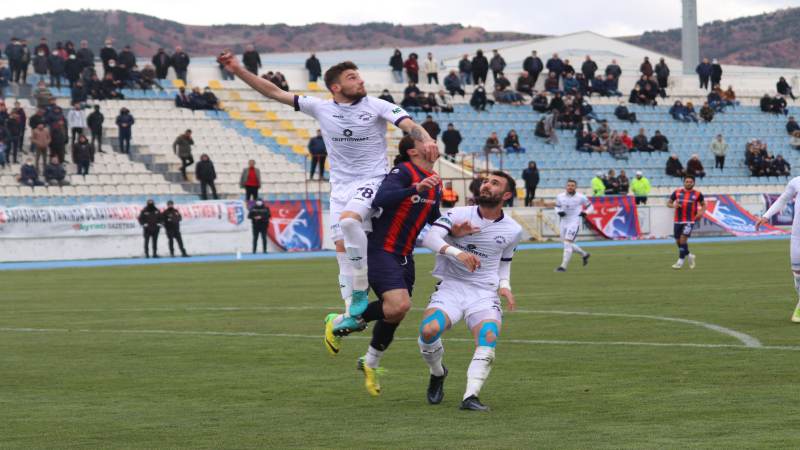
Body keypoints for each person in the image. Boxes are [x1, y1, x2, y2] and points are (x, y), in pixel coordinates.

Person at [218, 54, 438, 327]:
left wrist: (426, 138)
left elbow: (408, 125)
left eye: (359, 76)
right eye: (352, 78)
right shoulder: (320, 108)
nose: (360, 81)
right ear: (335, 87)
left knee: (349, 221)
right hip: (340, 187)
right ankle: (351, 313)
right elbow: (274, 92)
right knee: (341, 247)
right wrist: (237, 69)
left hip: (371, 180)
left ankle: (359, 289)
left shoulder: (378, 105)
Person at [324, 136, 447, 395]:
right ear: (413, 151)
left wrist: (458, 228)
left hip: (405, 255)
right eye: (427, 142)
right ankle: (339, 320)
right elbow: (382, 198)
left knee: (396, 312)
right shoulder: (403, 171)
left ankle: (370, 361)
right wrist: (416, 189)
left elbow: (434, 217)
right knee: (399, 304)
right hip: (381, 250)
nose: (433, 145)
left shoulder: (434, 182)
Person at [417, 171, 521, 410]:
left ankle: (470, 396)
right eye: (485, 181)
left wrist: (504, 287)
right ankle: (437, 372)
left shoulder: (513, 230)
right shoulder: (457, 213)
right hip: (451, 287)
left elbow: (504, 262)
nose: (486, 185)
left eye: (494, 183)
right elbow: (430, 238)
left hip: (484, 291)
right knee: (429, 330)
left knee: (488, 336)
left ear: (506, 195)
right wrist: (458, 253)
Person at [757, 176, 800, 322]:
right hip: (797, 237)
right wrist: (766, 216)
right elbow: (782, 200)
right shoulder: (796, 181)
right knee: (798, 275)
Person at [668, 176, 705, 270]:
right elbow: (668, 203)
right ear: (684, 182)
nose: (688, 183)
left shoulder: (698, 194)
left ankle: (680, 261)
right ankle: (689, 255)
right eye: (687, 181)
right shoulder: (676, 192)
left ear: (694, 183)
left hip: (689, 220)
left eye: (690, 182)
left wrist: (700, 212)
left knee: (683, 239)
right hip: (677, 220)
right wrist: (674, 205)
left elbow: (704, 205)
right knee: (678, 241)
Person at [554, 179, 592, 272]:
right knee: (566, 243)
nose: (570, 187)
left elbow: (591, 206)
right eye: (568, 185)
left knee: (567, 243)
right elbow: (557, 206)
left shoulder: (581, 197)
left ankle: (563, 267)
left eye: (572, 185)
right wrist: (559, 212)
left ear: (575, 187)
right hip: (564, 222)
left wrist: (586, 212)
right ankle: (584, 254)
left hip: (574, 222)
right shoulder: (560, 196)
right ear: (566, 186)